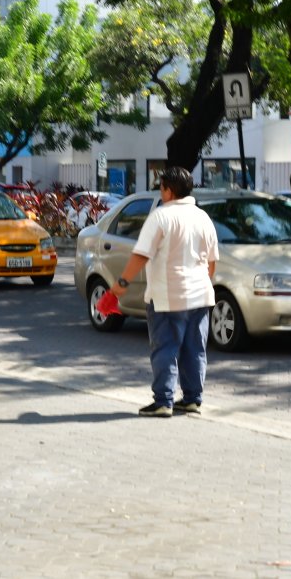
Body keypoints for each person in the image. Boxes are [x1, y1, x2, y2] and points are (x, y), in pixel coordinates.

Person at [111, 166, 220, 418]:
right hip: (200, 295)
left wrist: (121, 284)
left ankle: (163, 401)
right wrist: (200, 283)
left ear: (169, 190)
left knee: (166, 348)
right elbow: (212, 262)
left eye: (161, 188)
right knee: (195, 348)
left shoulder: (161, 216)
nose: (160, 193)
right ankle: (192, 398)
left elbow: (141, 254)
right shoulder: (203, 217)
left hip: (168, 296)